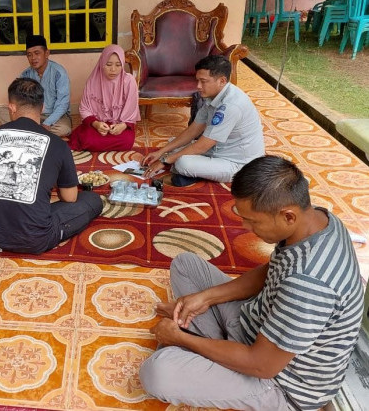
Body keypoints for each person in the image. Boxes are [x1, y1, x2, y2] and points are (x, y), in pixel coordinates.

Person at [140, 155, 364, 410]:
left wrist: (181, 339)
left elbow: (262, 365)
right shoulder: (319, 221)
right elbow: (271, 271)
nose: (245, 226)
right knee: (185, 264)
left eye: (252, 221)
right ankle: (217, 348)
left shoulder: (308, 284)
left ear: (288, 216)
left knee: (157, 372)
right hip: (255, 326)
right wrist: (205, 298)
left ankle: (207, 347)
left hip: (279, 383)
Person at [0, 78, 102, 256]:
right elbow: (70, 197)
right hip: (34, 238)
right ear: (42, 108)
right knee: (92, 200)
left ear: (11, 107)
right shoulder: (58, 144)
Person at [142, 55, 264, 186]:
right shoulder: (213, 95)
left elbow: (203, 145)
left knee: (183, 163)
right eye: (197, 80)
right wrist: (160, 152)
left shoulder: (231, 106)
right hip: (217, 149)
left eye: (203, 81)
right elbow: (194, 129)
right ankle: (195, 172)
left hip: (239, 164)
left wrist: (165, 160)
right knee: (173, 144)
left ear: (222, 81)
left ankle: (190, 177)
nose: (198, 86)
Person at [67, 44, 140, 152]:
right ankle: (100, 142)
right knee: (87, 139)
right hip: (98, 124)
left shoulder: (129, 81)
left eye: (118, 65)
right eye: (109, 64)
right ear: (102, 63)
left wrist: (122, 126)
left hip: (119, 126)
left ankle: (99, 144)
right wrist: (96, 124)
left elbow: (132, 110)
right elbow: (85, 108)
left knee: (127, 141)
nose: (113, 69)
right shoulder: (93, 81)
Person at [0, 34, 72, 137]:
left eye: (37, 53)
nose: (33, 58)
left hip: (55, 117)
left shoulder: (59, 73)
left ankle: (29, 131)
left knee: (64, 129)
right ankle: (37, 131)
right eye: (29, 55)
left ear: (47, 53)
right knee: (2, 112)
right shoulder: (25, 75)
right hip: (32, 115)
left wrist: (47, 123)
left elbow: (63, 104)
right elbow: (20, 100)